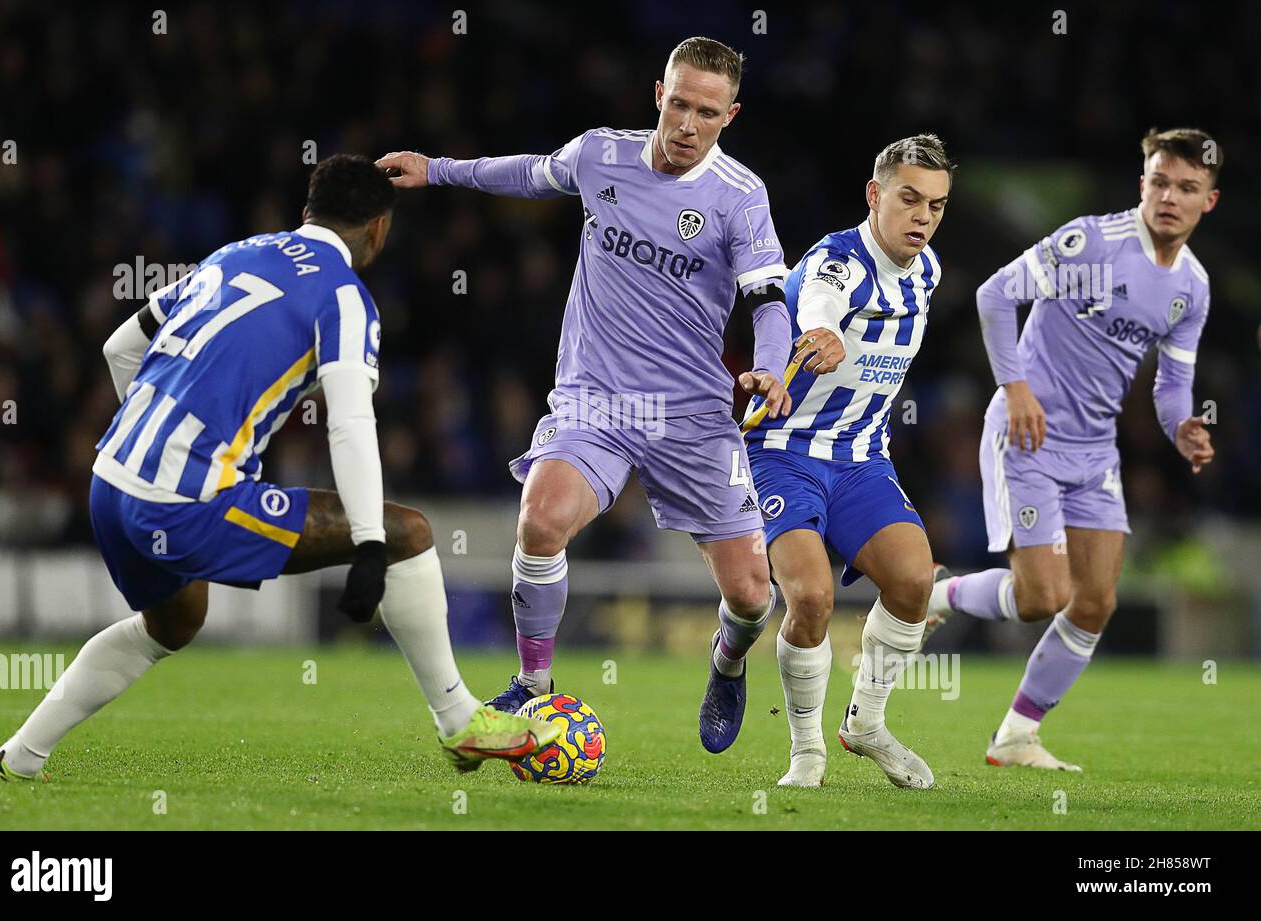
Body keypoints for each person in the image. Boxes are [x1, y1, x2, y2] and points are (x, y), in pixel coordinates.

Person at [0, 155, 558, 783]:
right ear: (379, 230)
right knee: (407, 533)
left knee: (173, 622)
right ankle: (460, 722)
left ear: (306, 213)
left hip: (110, 482)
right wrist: (365, 545)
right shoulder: (344, 297)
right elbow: (351, 423)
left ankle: (18, 759)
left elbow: (122, 346)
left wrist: (156, 441)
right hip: (185, 500)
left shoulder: (234, 254)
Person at [378, 37, 808, 753]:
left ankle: (726, 664)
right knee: (541, 521)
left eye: (707, 111)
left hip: (692, 413)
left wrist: (771, 366)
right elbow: (529, 174)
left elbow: (767, 298)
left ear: (730, 114)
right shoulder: (600, 155)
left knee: (753, 595)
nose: (688, 124)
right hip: (596, 398)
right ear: (658, 94)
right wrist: (440, 169)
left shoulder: (740, 197)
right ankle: (533, 686)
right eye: (678, 104)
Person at [925, 128, 1219, 771]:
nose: (1170, 196)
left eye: (1187, 188)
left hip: (1094, 452)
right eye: (1160, 182)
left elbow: (1172, 386)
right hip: (1028, 433)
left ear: (1209, 201)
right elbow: (995, 294)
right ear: (1143, 183)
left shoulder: (1192, 288)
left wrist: (1181, 428)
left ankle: (1016, 735)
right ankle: (936, 596)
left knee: (1095, 600)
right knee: (1041, 598)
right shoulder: (1092, 242)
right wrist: (1018, 389)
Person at [745, 136, 954, 788]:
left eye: (937, 205)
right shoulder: (839, 259)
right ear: (875, 194)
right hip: (786, 450)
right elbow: (820, 300)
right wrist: (824, 330)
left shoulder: (929, 270)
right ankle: (807, 750)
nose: (922, 216)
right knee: (810, 598)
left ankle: (865, 722)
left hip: (862, 457)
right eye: (909, 199)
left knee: (915, 582)